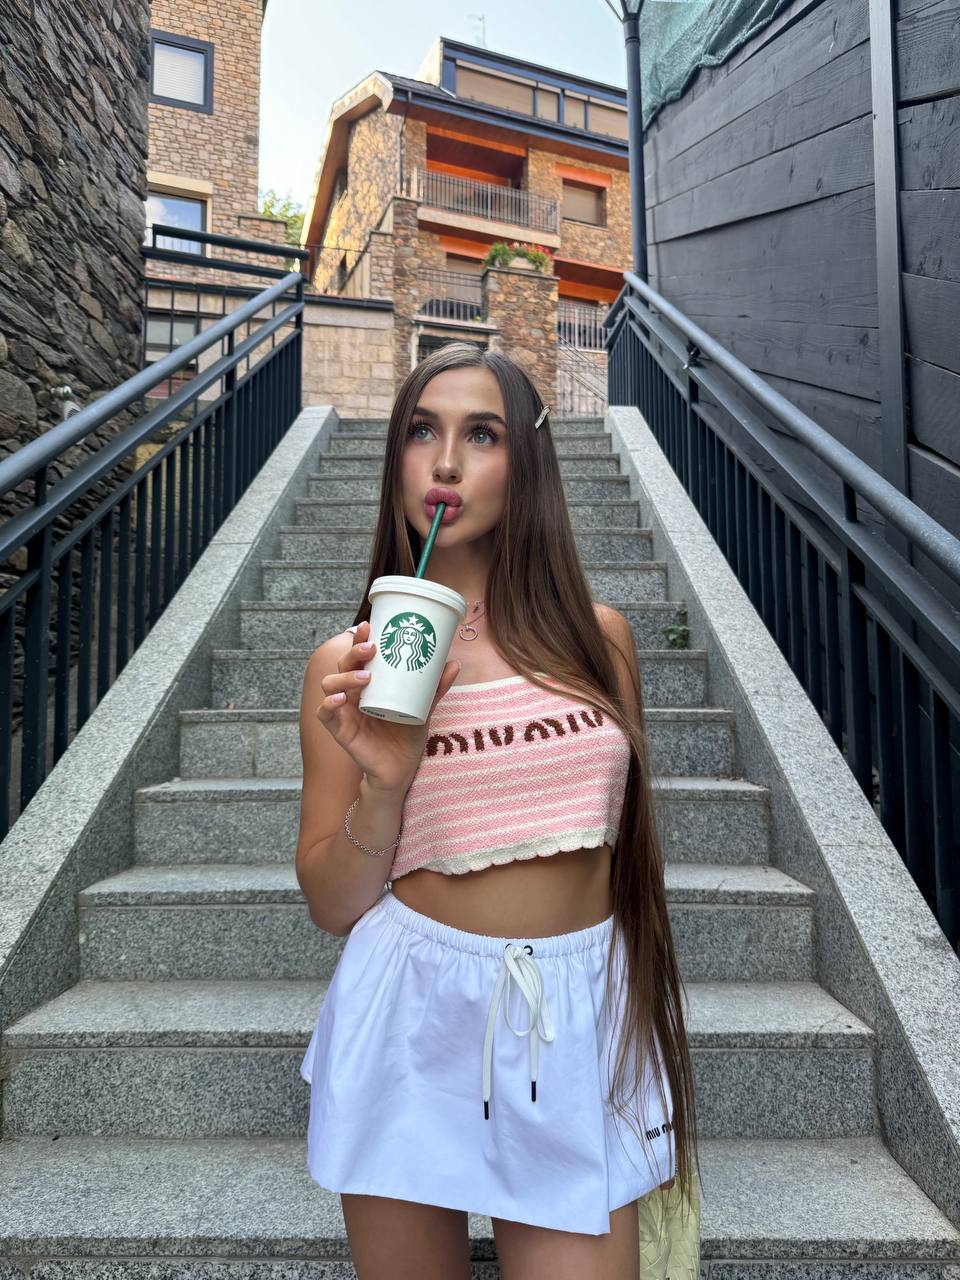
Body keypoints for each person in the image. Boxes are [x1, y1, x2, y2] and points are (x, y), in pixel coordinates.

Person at [296, 341, 701, 1278]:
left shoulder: (601, 642)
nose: (445, 462)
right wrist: (386, 783)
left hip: (574, 1008)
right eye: (421, 432)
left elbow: (628, 866)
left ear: (527, 462)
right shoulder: (348, 666)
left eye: (481, 434)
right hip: (408, 1011)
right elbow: (331, 903)